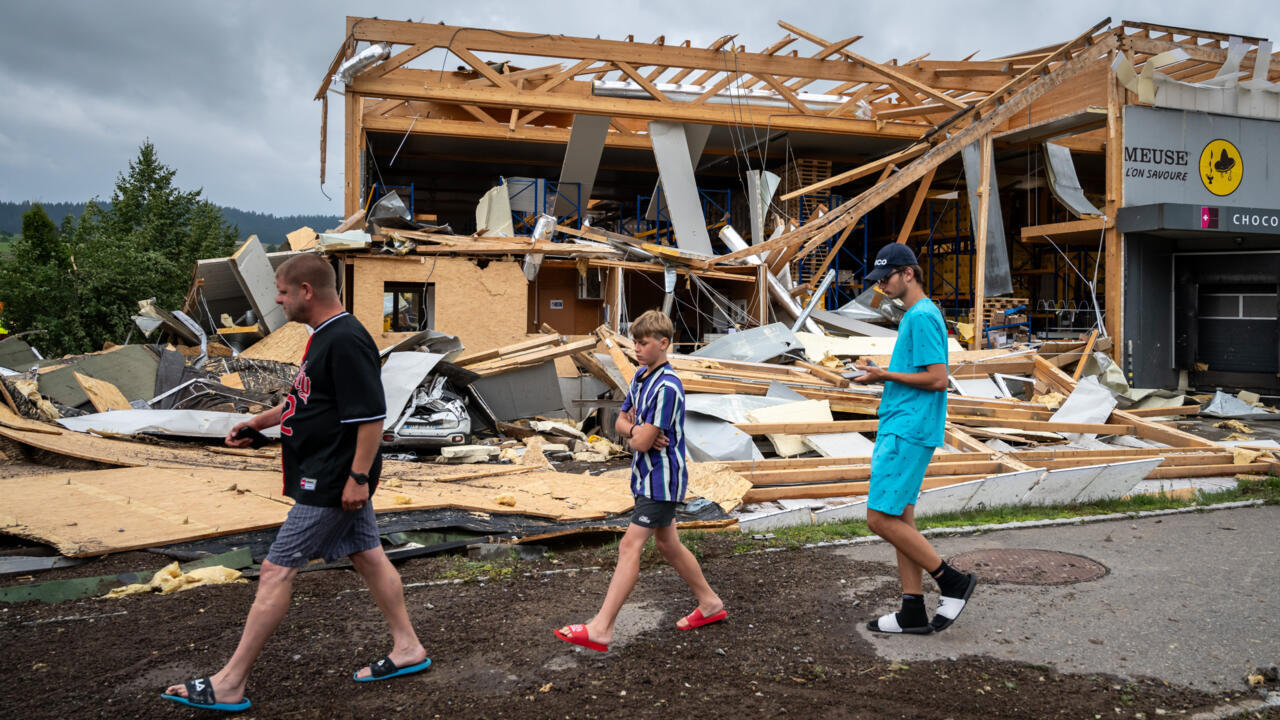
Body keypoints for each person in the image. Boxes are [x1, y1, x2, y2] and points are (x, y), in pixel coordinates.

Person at [162, 254, 428, 713]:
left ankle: (229, 683)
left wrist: (358, 479)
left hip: (333, 480)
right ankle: (408, 648)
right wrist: (258, 423)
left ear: (307, 291)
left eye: (283, 292)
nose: (279, 301)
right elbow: (305, 401)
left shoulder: (345, 340)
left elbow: (371, 418)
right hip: (333, 475)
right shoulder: (322, 337)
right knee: (367, 556)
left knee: (276, 569)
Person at [553, 309, 725, 652]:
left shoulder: (668, 387)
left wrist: (637, 434)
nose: (636, 348)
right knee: (667, 544)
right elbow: (622, 424)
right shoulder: (641, 378)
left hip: (662, 480)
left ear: (663, 343)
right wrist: (636, 430)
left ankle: (601, 628)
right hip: (646, 476)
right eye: (634, 342)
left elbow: (642, 443)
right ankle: (710, 604)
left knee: (629, 546)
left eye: (643, 343)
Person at [854, 243, 977, 635]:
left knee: (878, 518)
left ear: (908, 273)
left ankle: (952, 580)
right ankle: (911, 610)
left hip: (906, 428)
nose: (882, 286)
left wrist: (883, 377)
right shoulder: (919, 314)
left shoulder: (921, 315)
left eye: (886, 278)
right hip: (908, 424)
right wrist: (882, 371)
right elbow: (921, 372)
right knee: (899, 519)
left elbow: (938, 379)